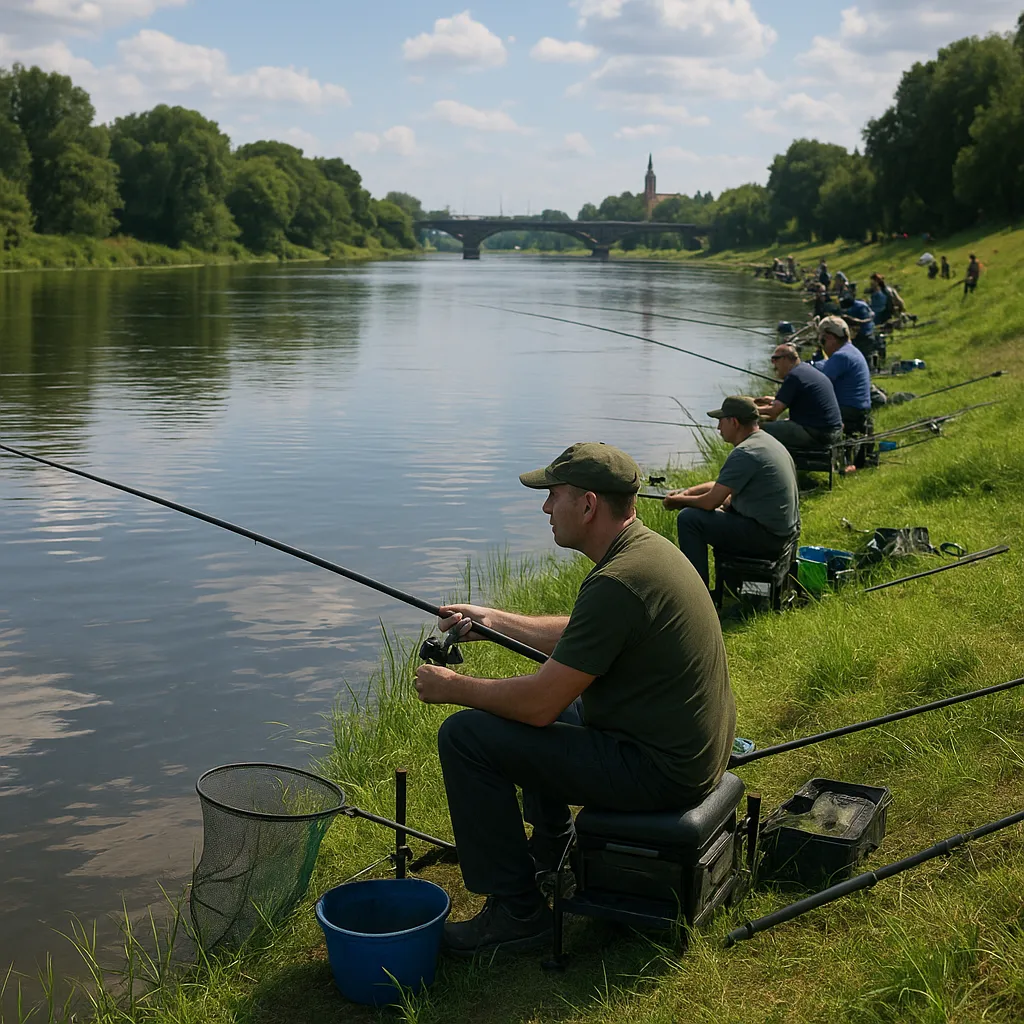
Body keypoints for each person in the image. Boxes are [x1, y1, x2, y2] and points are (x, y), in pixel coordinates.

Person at [415, 443, 736, 956]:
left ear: (587, 505)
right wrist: (494, 622)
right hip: (681, 747)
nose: (545, 508)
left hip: (661, 770)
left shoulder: (618, 580)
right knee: (548, 701)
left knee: (467, 735)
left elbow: (539, 704)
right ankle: (551, 850)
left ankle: (518, 914)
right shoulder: (644, 551)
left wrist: (453, 688)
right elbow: (585, 634)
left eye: (553, 496)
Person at [665, 396, 800, 588]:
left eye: (721, 421)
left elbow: (710, 502)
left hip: (769, 538)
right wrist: (686, 493)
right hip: (784, 534)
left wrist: (678, 502)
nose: (718, 428)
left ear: (734, 422)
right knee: (720, 507)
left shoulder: (745, 453)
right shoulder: (766, 442)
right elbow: (719, 487)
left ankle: (696, 595)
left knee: (689, 519)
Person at [811, 316, 874, 466]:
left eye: (822, 342)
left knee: (804, 414)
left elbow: (819, 386)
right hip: (859, 408)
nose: (822, 346)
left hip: (847, 410)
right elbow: (825, 365)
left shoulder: (840, 356)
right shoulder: (851, 351)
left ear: (830, 338)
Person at [755, 344, 843, 450]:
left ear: (786, 359)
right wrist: (773, 400)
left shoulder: (794, 376)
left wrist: (749, 408)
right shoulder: (805, 370)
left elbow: (774, 411)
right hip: (833, 432)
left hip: (818, 434)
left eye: (775, 359)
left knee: (756, 428)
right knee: (783, 422)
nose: (773, 364)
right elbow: (797, 399)